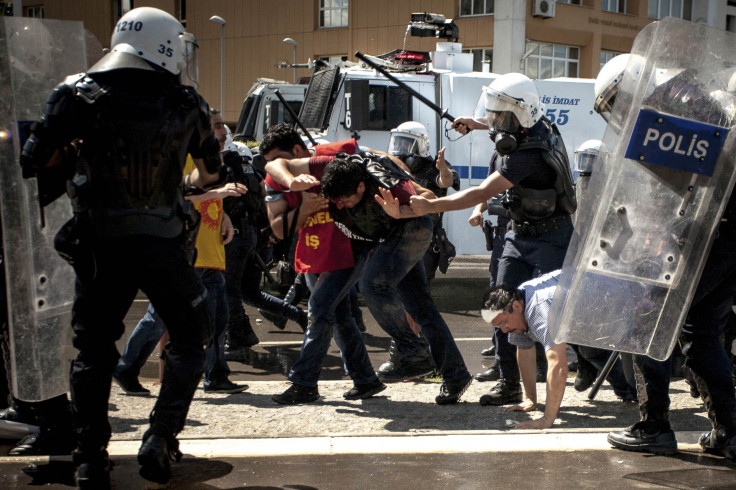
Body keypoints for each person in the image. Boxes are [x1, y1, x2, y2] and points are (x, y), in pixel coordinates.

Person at [20, 7, 223, 486]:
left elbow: (34, 160)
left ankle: (91, 455)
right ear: (166, 45)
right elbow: (212, 173)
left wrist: (75, 153)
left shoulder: (76, 93)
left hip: (100, 242)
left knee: (93, 348)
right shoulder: (185, 101)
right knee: (192, 336)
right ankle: (160, 436)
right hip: (165, 241)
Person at [592, 54, 736, 457]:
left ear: (636, 84)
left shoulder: (676, 105)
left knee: (645, 322)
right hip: (725, 236)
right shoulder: (697, 98)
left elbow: (683, 185)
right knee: (700, 329)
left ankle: (653, 425)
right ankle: (729, 432)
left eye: (619, 103)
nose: (621, 116)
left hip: (710, 235)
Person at [410, 73, 576, 406]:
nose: (496, 123)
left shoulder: (529, 154)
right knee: (500, 307)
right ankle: (509, 383)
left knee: (551, 315)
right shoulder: (534, 124)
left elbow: (483, 192)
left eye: (501, 116)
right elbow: (505, 126)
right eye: (494, 115)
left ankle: (571, 376)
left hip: (551, 237)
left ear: (523, 113)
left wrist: (432, 205)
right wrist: (476, 123)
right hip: (518, 232)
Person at [267, 151, 473, 404]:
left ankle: (413, 349)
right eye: (336, 201)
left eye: (346, 200)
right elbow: (275, 163)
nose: (340, 206)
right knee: (416, 307)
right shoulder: (326, 168)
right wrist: (291, 181)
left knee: (373, 284)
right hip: (366, 238)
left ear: (362, 186)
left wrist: (402, 212)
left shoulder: (387, 182)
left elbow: (428, 202)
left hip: (408, 231)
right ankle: (454, 375)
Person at [260, 125, 385, 404]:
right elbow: (279, 230)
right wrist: (304, 205)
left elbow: (369, 162)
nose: (275, 168)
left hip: (347, 250)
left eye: (279, 158)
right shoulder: (275, 178)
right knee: (339, 317)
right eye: (269, 162)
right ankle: (365, 380)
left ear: (296, 151)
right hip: (315, 255)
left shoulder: (327, 161)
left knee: (318, 312)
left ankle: (304, 383)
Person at [219, 123, 308, 363]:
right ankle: (295, 314)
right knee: (249, 292)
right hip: (253, 235)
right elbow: (261, 201)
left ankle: (239, 338)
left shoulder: (228, 167)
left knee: (231, 291)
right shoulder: (250, 168)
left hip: (237, 235)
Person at [378, 121, 460, 377]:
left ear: (421, 145)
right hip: (400, 241)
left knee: (412, 303)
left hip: (425, 244)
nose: (401, 149)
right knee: (415, 304)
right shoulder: (392, 168)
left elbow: (445, 182)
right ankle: (419, 356)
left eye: (407, 143)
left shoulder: (429, 169)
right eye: (398, 142)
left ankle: (407, 356)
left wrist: (443, 168)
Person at [481, 271, 568, 428]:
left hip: (611, 296)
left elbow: (558, 365)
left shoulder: (538, 309)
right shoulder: (519, 298)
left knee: (597, 356)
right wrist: (530, 399)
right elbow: (524, 348)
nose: (505, 330)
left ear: (516, 306)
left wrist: (546, 419)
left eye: (505, 323)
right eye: (499, 326)